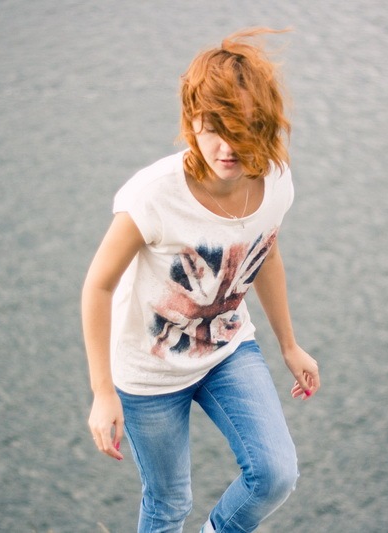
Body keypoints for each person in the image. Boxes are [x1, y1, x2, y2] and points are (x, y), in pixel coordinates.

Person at [81, 27, 320, 533]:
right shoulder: (153, 196)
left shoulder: (275, 182)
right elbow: (98, 286)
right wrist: (103, 393)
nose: (227, 146)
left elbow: (265, 254)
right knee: (169, 503)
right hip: (148, 376)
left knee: (275, 475)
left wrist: (289, 345)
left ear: (264, 123)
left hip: (226, 350)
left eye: (244, 128)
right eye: (214, 128)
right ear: (192, 120)